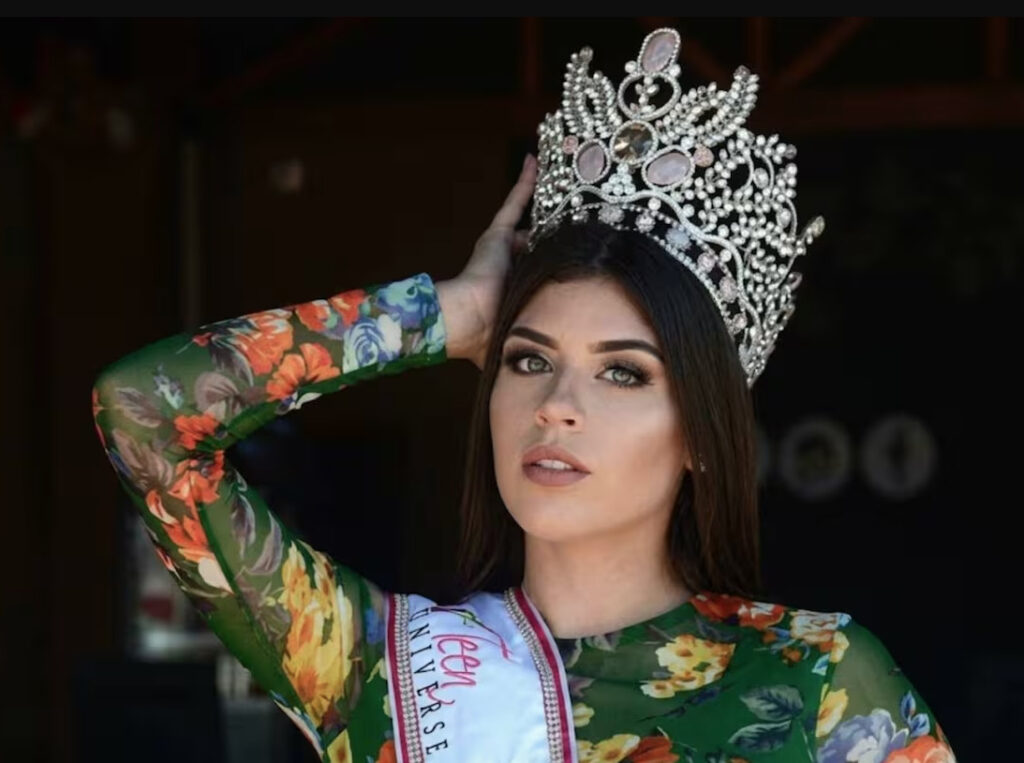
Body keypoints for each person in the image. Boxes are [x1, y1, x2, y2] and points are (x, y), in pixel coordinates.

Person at [91, 27, 957, 763]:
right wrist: (441, 315)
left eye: (623, 371)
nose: (556, 404)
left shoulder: (818, 680)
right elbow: (144, 412)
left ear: (700, 432)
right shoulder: (375, 670)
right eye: (528, 360)